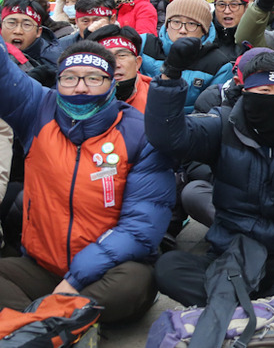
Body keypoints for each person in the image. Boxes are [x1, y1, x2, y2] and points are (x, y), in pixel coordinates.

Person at [145, 48, 274, 331]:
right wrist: (169, 78)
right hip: (230, 256)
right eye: (265, 90)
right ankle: (268, 318)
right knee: (169, 268)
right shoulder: (223, 125)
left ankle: (235, 314)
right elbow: (169, 137)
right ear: (245, 91)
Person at [0, 37, 174, 323]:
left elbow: (140, 228)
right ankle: (55, 325)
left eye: (94, 78)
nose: (80, 87)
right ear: (57, 82)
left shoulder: (140, 134)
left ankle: (34, 326)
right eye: (69, 78)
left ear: (112, 82)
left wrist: (75, 279)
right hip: (42, 267)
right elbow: (4, 75)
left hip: (107, 274)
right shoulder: (37, 111)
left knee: (134, 284)